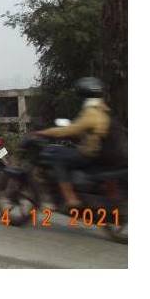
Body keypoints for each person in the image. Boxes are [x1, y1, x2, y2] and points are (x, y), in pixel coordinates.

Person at [33, 77, 111, 209]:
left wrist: (45, 132)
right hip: (97, 152)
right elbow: (85, 131)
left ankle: (70, 198)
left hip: (88, 153)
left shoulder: (91, 112)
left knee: (56, 157)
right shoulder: (103, 110)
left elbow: (71, 130)